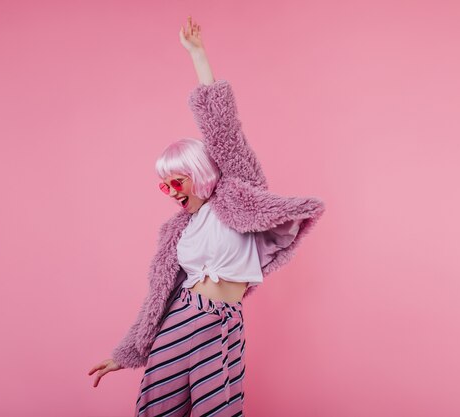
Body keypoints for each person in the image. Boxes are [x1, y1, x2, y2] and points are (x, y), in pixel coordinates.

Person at [89, 16, 325, 416]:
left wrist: (198, 56)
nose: (171, 192)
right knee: (156, 408)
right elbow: (156, 298)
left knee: (219, 410)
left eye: (177, 181)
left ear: (198, 173)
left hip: (223, 322)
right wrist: (127, 354)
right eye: (164, 185)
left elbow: (224, 130)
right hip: (179, 321)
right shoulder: (177, 233)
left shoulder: (237, 195)